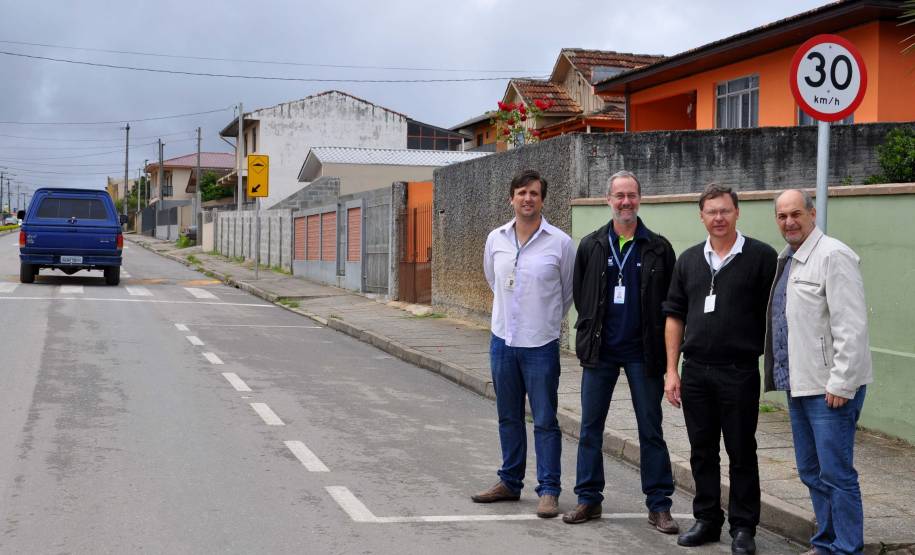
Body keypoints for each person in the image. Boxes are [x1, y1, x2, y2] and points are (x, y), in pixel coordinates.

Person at [663, 184, 777, 555]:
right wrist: (672, 370)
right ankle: (708, 520)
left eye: (725, 210)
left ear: (737, 212)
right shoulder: (689, 260)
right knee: (702, 451)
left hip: (739, 372)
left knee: (742, 451)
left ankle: (744, 527)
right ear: (701, 216)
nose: (718, 218)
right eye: (711, 211)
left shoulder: (761, 257)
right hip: (695, 373)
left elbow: (777, 315)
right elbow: (674, 316)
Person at [564, 170, 679, 534]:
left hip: (643, 353)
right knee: (590, 428)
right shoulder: (592, 245)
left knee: (651, 430)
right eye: (619, 196)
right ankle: (588, 498)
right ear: (608, 200)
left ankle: (659, 505)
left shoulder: (659, 247)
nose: (625, 202)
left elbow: (669, 303)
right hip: (601, 352)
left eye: (631, 195)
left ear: (639, 199)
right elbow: (582, 296)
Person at [765, 189, 873, 555]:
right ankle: (825, 543)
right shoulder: (790, 258)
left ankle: (846, 548)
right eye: (782, 216)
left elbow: (851, 326)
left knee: (837, 475)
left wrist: (842, 382)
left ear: (812, 214)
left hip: (830, 388)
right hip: (800, 384)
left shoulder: (833, 255)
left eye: (796, 214)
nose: (789, 222)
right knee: (811, 472)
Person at [473, 169, 575, 519]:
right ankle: (509, 482)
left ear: (543, 199)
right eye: (521, 192)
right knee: (508, 416)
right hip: (502, 341)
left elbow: (567, 292)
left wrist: (542, 321)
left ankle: (548, 490)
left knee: (545, 419)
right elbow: (493, 279)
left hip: (541, 345)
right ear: (511, 199)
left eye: (534, 193)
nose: (527, 198)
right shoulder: (495, 239)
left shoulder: (560, 243)